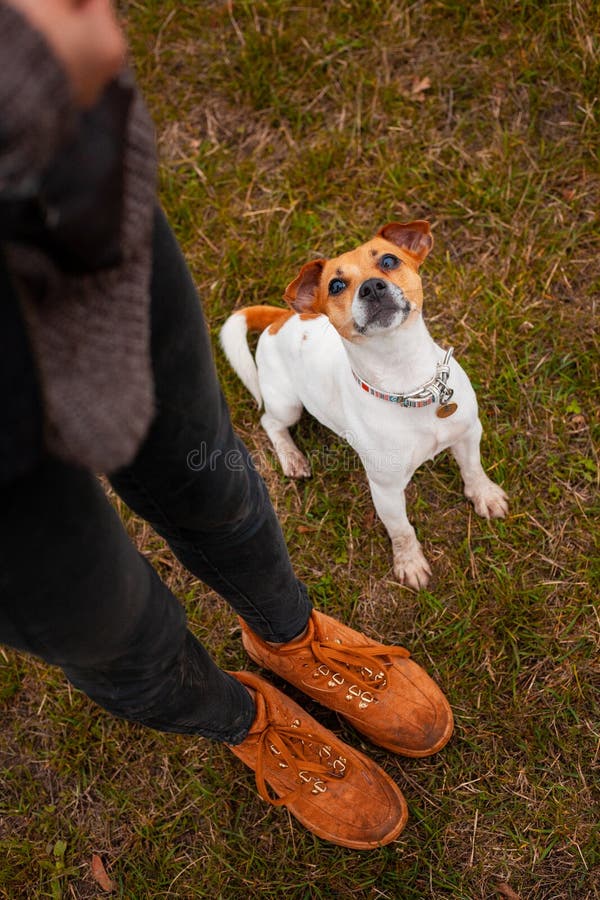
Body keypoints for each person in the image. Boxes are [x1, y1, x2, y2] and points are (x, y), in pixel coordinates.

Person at [0, 0, 453, 850]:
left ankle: (291, 637)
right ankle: (246, 721)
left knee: (208, 472)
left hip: (67, 196)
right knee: (94, 616)